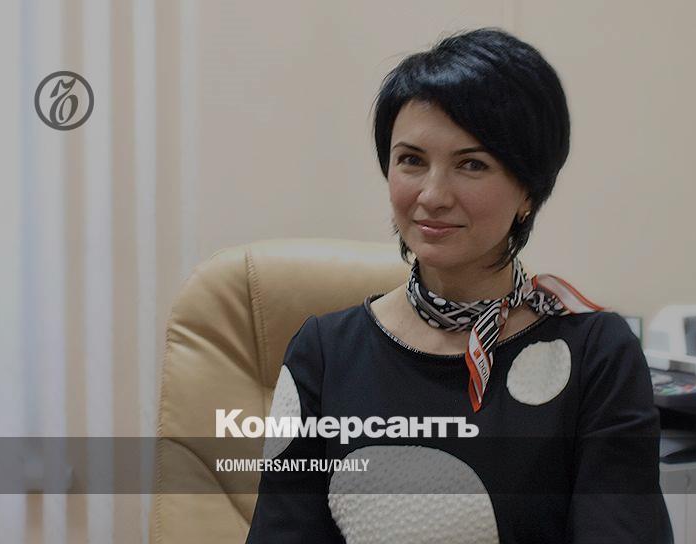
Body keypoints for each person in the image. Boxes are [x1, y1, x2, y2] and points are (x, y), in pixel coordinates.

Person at [246, 28, 672, 543]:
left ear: (528, 191)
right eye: (411, 160)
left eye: (472, 164)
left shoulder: (596, 354)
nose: (433, 195)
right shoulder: (324, 355)